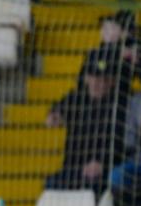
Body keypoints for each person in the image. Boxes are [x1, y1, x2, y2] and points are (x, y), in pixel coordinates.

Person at [45, 48, 126, 197]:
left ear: (112, 82)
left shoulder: (119, 106)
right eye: (94, 77)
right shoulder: (76, 99)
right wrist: (54, 116)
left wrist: (102, 165)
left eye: (103, 79)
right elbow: (55, 114)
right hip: (73, 171)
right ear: (86, 78)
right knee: (51, 183)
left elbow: (121, 142)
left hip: (102, 172)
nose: (98, 83)